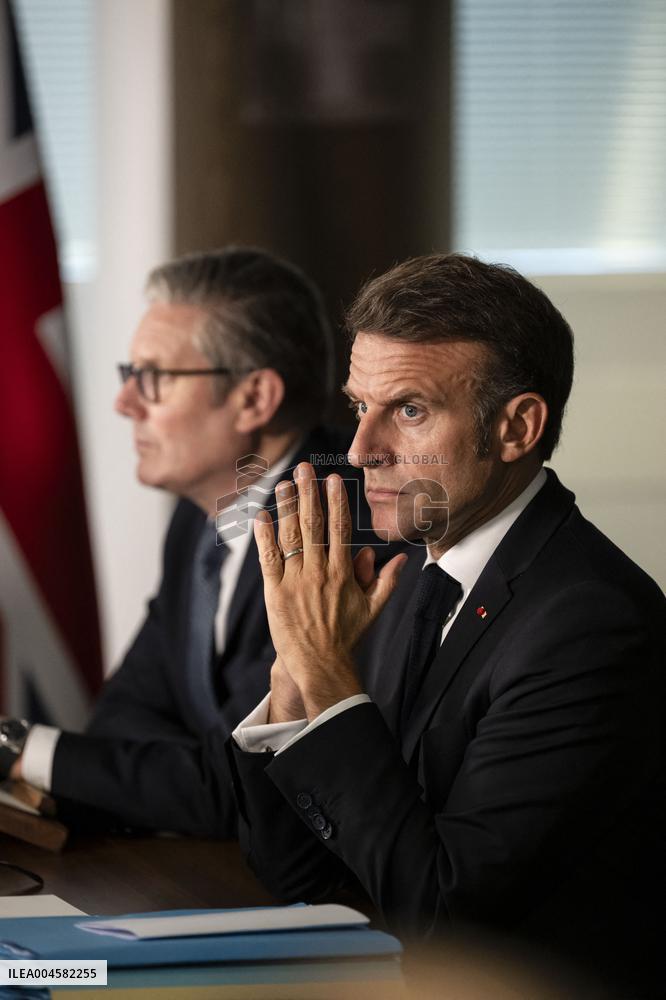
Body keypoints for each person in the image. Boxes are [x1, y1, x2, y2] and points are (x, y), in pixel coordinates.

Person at [227, 254, 665, 997]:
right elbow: (297, 874)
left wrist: (328, 672)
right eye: (359, 407)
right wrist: (295, 675)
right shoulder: (406, 579)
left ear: (516, 427)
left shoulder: (591, 623)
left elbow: (445, 916)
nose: (361, 450)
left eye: (409, 410)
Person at [0, 246, 387, 838]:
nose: (124, 403)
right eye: (130, 375)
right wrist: (183, 772)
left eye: (153, 378)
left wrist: (17, 747)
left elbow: (238, 782)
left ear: (254, 399)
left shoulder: (340, 528)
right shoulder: (199, 518)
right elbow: (124, 717)